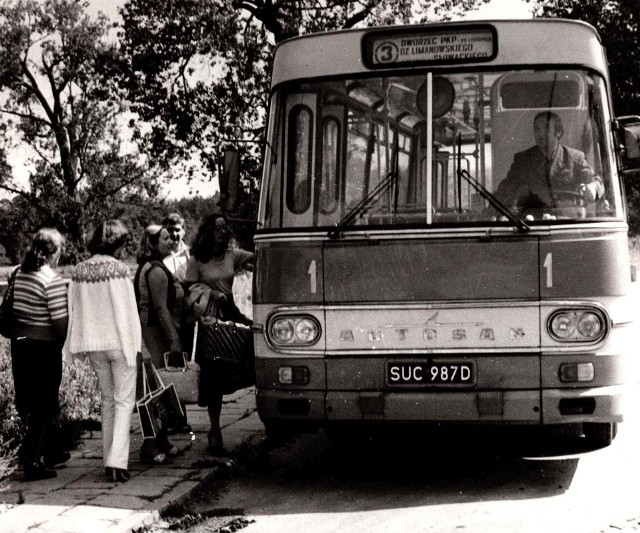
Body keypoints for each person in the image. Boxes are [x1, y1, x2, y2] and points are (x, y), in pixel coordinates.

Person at [64, 220, 140, 483]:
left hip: (94, 344)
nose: (122, 250)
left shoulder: (79, 270)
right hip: (120, 343)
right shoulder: (118, 269)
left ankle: (110, 459)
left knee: (108, 401)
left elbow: (74, 309)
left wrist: (74, 347)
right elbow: (128, 311)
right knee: (123, 401)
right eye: (121, 245)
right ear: (116, 245)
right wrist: (135, 345)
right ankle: (117, 462)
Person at [185, 213, 253, 457]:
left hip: (230, 312)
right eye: (218, 228)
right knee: (213, 374)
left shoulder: (232, 254)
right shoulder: (197, 260)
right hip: (208, 320)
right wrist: (211, 293)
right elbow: (188, 288)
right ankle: (215, 430)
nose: (223, 232)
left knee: (246, 356)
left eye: (226, 228)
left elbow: (260, 256)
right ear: (208, 232)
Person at [11, 229, 69, 481]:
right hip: (43, 347)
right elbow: (60, 323)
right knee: (44, 403)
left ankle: (51, 449)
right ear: (53, 252)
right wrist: (62, 343)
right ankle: (33, 460)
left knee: (30, 400)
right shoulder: (51, 280)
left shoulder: (18, 272)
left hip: (21, 343)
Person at [134, 224, 185, 464]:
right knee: (152, 391)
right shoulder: (154, 271)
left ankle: (162, 439)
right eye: (165, 238)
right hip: (154, 335)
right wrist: (174, 339)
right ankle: (149, 445)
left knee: (160, 389)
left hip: (154, 333)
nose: (171, 241)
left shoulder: (156, 266)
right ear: (153, 243)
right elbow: (160, 309)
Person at [494, 111, 604, 211]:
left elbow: (595, 181)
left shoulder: (575, 157)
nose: (540, 133)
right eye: (537, 129)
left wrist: (593, 188)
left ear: (558, 132)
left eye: (546, 128)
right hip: (533, 221)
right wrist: (490, 211)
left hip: (567, 221)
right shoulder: (523, 159)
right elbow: (505, 189)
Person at [162, 213, 190, 282]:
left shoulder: (192, 253)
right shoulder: (161, 255)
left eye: (177, 230)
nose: (174, 234)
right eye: (170, 230)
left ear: (184, 231)